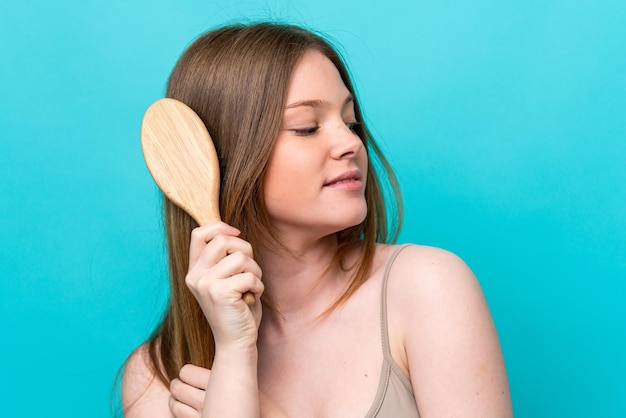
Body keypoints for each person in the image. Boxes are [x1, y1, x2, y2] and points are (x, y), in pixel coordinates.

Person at [121, 22, 512, 417]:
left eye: (351, 122)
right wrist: (235, 354)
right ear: (228, 157)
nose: (351, 143)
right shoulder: (155, 378)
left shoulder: (429, 288)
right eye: (307, 128)